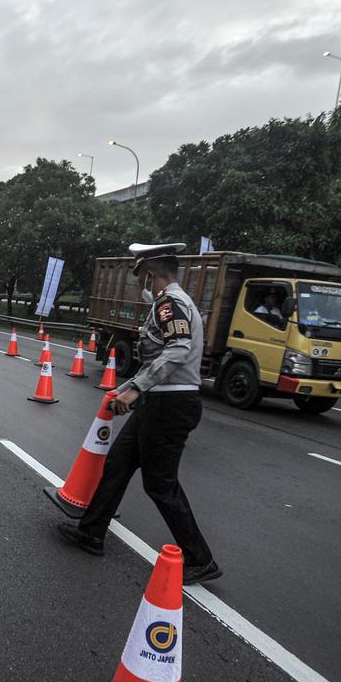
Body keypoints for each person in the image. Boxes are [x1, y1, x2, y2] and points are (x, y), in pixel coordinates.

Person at [57, 242, 221, 586]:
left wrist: (135, 388)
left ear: (150, 274)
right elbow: (157, 358)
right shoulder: (170, 304)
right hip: (158, 401)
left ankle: (199, 559)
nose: (141, 283)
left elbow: (178, 350)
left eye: (141, 276)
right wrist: (129, 385)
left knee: (160, 484)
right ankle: (92, 533)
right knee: (117, 465)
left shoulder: (170, 304)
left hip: (170, 404)